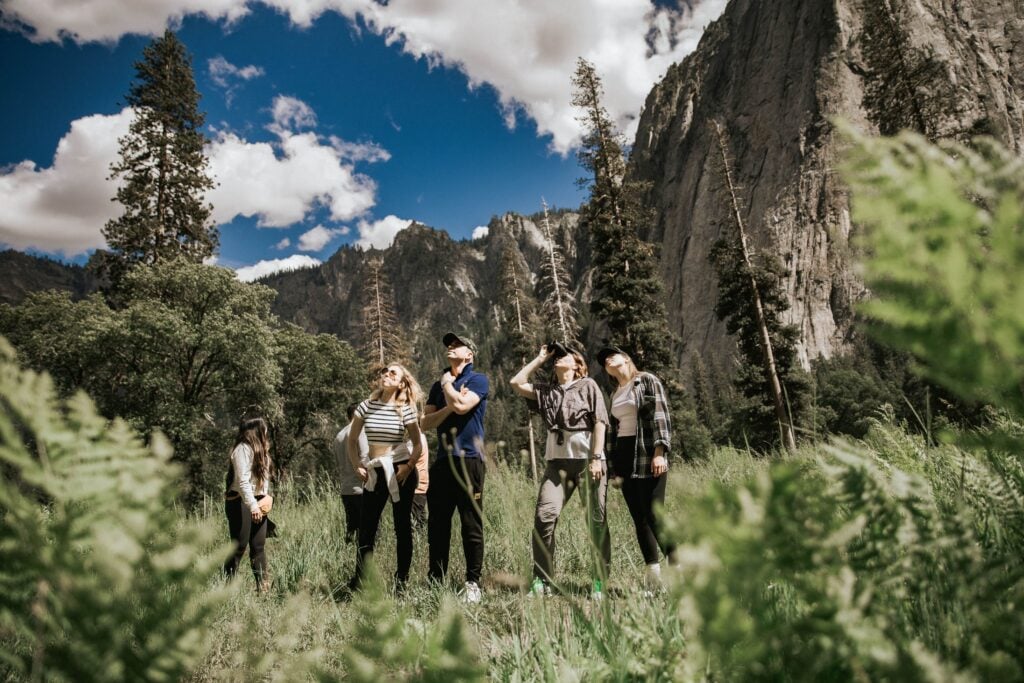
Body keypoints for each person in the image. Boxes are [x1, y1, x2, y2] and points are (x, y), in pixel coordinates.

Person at [511, 342, 610, 599]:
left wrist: (596, 458)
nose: (558, 358)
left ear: (577, 365)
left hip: (587, 461)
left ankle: (599, 582)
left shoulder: (588, 385)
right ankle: (542, 581)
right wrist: (540, 357)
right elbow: (516, 382)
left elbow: (600, 422)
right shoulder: (547, 391)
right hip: (557, 465)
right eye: (556, 356)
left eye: (563, 356)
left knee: (595, 522)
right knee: (544, 517)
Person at [597, 345, 675, 591]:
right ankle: (654, 580)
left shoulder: (646, 381)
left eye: (612, 354)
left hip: (646, 452)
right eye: (604, 360)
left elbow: (660, 415)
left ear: (626, 358)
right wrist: (612, 465)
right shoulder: (615, 392)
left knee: (655, 514)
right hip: (624, 455)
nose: (607, 359)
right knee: (639, 519)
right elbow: (614, 429)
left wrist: (660, 452)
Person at [421, 332, 489, 604]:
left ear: (469, 354)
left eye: (457, 345)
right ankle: (436, 580)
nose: (451, 347)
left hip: (469, 459)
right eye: (448, 344)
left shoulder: (477, 379)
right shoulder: (438, 385)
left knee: (470, 522)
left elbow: (463, 406)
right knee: (438, 524)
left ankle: (473, 582)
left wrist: (448, 388)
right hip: (442, 462)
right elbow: (425, 423)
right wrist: (449, 401)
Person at [346, 364, 426, 593]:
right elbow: (352, 441)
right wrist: (356, 465)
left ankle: (401, 582)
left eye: (393, 373)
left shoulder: (406, 409)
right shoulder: (366, 406)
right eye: (385, 372)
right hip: (374, 471)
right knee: (367, 528)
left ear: (402, 383)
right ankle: (361, 580)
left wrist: (409, 467)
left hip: (400, 471)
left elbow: (418, 444)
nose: (386, 375)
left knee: (402, 528)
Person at [224, 416, 275, 591]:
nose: (266, 432)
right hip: (240, 501)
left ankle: (263, 587)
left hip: (258, 500)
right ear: (257, 430)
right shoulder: (242, 449)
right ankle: (228, 588)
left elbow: (264, 478)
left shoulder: (262, 450)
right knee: (239, 547)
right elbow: (242, 482)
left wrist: (266, 497)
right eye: (264, 429)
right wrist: (253, 506)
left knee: (258, 545)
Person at [333, 403, 369, 543]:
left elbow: (338, 463)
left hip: (346, 489)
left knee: (351, 528)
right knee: (368, 530)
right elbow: (365, 459)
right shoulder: (360, 431)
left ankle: (347, 556)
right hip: (361, 487)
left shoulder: (339, 436)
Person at [412, 456, 429, 529]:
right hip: (421, 487)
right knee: (422, 523)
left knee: (414, 524)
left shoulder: (415, 445)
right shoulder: (422, 444)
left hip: (416, 488)